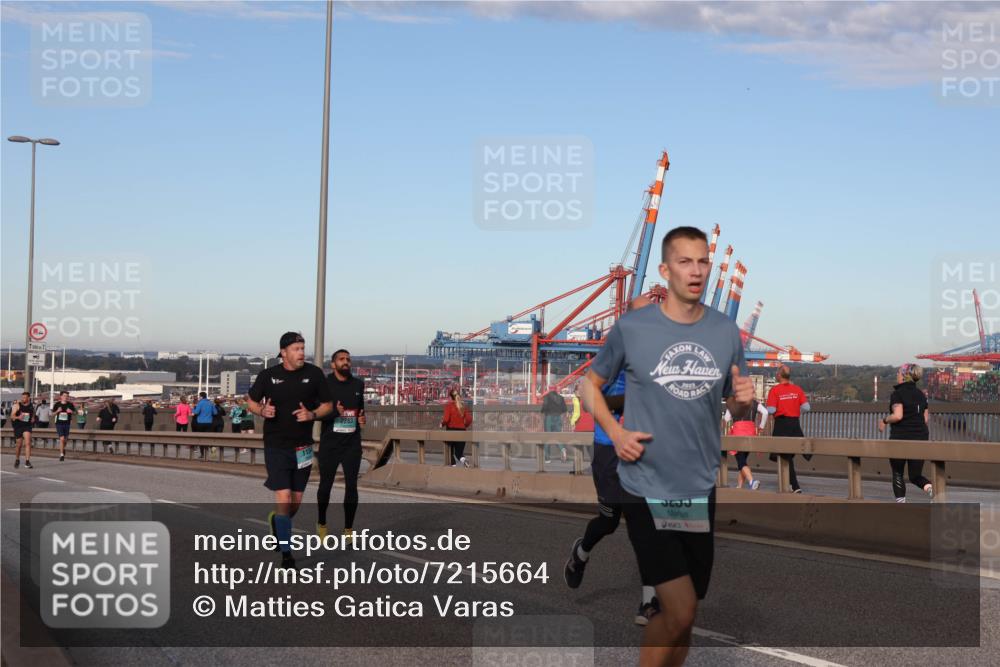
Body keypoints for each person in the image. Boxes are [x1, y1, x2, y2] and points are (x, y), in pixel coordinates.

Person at [583, 226, 754, 666]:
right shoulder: (633, 328)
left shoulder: (725, 332)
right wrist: (617, 433)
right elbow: (590, 386)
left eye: (702, 262)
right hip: (645, 483)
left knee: (686, 611)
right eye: (684, 261)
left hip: (698, 485)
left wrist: (741, 400)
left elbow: (734, 407)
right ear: (665, 269)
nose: (695, 271)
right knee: (678, 606)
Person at [566, 296, 661, 626]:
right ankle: (580, 553)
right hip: (609, 449)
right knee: (607, 522)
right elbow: (589, 395)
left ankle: (649, 600)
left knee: (644, 525)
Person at [246, 332, 333, 569]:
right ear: (283, 352)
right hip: (276, 446)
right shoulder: (269, 375)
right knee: (283, 497)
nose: (302, 353)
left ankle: (276, 521)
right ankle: (287, 553)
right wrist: (261, 411)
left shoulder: (314, 374)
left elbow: (328, 405)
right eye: (296, 349)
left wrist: (313, 414)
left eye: (303, 348)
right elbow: (250, 401)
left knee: (294, 503)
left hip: (303, 447)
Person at [317, 349, 366, 542]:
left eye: (348, 359)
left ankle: (348, 529)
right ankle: (321, 522)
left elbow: (361, 410)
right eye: (341, 359)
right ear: (333, 364)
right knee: (325, 486)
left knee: (352, 487)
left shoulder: (358, 384)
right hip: (330, 443)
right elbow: (317, 414)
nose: (346, 362)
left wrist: (362, 418)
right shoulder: (325, 385)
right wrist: (334, 413)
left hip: (352, 443)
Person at [878, 364, 932, 503]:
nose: (897, 374)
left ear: (903, 375)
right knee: (915, 476)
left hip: (900, 439)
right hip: (920, 438)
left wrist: (884, 420)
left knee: (898, 473)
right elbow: (925, 419)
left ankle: (901, 505)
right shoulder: (922, 395)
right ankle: (931, 489)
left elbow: (898, 415)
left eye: (898, 372)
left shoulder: (898, 394)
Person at [765, 365, 811, 493]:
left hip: (781, 424)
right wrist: (796, 411)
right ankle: (793, 483)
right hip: (794, 423)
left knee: (784, 454)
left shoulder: (774, 390)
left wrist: (766, 408)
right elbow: (807, 407)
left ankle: (794, 486)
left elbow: (771, 410)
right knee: (790, 454)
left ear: (779, 375)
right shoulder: (797, 389)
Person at [723, 398, 768, 490]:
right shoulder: (754, 402)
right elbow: (765, 412)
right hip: (750, 433)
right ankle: (739, 486)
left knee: (741, 461)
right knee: (743, 459)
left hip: (738, 432)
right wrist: (761, 427)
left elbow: (727, 418)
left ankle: (752, 481)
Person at [440, 388, 473, 467]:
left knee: (450, 451)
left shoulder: (449, 406)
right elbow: (469, 419)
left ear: (451, 397)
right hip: (462, 431)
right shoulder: (463, 407)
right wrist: (464, 426)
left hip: (451, 431)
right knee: (459, 453)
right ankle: (464, 461)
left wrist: (442, 424)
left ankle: (453, 467)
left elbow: (446, 419)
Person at [541, 387, 568, 462]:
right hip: (558, 418)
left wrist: (543, 411)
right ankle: (562, 448)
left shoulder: (546, 397)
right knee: (557, 436)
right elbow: (564, 409)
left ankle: (547, 458)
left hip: (549, 418)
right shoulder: (561, 398)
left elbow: (544, 408)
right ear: (556, 390)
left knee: (547, 437)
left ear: (549, 390)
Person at [11, 392, 35, 469]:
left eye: (25, 397)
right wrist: (19, 417)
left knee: (28, 442)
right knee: (19, 445)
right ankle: (17, 459)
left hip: (27, 426)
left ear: (28, 398)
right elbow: (12, 416)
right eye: (22, 397)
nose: (23, 399)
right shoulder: (17, 405)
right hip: (18, 426)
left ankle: (27, 462)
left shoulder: (31, 406)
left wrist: (33, 418)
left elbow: (33, 413)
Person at [52, 391, 75, 462]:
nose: (66, 397)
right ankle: (61, 455)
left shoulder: (70, 404)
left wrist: (71, 411)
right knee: (62, 439)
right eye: (64, 396)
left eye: (67, 396)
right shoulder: (57, 404)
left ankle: (63, 449)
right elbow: (52, 414)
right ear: (61, 396)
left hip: (67, 424)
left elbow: (75, 412)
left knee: (65, 440)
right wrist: (57, 411)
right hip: (59, 423)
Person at [192, 392, 216, 458]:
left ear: (201, 397)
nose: (199, 398)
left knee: (201, 439)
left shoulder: (200, 403)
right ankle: (213, 453)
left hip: (201, 423)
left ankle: (202, 454)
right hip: (209, 422)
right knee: (210, 438)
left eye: (199, 396)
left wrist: (194, 408)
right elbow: (215, 412)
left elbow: (196, 412)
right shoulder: (211, 403)